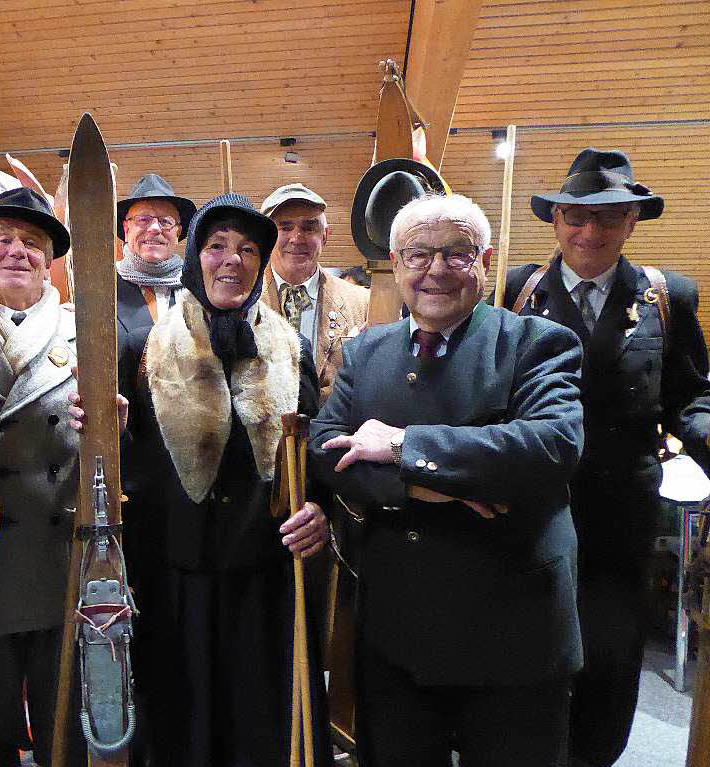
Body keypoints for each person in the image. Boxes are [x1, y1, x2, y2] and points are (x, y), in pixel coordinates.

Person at [310, 193, 585, 767]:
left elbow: (553, 444)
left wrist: (404, 446)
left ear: (484, 260)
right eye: (418, 254)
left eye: (456, 254)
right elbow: (323, 450)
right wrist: (421, 484)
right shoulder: (367, 350)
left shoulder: (535, 344)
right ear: (394, 260)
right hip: (398, 634)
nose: (435, 270)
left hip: (513, 634)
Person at [500, 148, 710, 767]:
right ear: (556, 221)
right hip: (530, 511)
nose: (589, 233)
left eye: (609, 218)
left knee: (611, 657)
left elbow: (691, 395)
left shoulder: (668, 297)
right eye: (575, 217)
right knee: (528, 649)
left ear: (631, 224)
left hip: (621, 518)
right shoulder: (517, 290)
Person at [117, 194, 331, 766]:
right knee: (182, 727)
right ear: (195, 257)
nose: (230, 261)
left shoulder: (292, 348)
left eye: (246, 250)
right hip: (174, 578)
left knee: (256, 730)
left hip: (264, 577)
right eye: (215, 246)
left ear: (262, 264)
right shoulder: (143, 350)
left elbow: (309, 457)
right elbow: (124, 456)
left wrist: (318, 511)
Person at [0, 187, 87, 767]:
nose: (18, 252)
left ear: (49, 259)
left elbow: (114, 448)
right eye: (3, 240)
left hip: (55, 551)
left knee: (64, 715)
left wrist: (108, 427)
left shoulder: (83, 333)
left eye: (32, 243)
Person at [259, 183, 369, 398]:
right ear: (266, 237)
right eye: (285, 227)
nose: (297, 238)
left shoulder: (363, 303)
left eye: (309, 227)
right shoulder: (243, 304)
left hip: (338, 429)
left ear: (325, 236)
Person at [115, 174, 196, 346]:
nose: (154, 228)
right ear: (126, 228)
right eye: (143, 219)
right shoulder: (102, 289)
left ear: (178, 232)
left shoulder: (197, 287)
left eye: (165, 221)